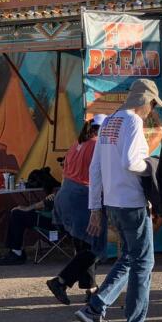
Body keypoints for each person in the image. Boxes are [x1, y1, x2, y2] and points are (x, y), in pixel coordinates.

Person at [75, 79, 162, 322]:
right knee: (143, 263)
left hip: (113, 202)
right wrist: (153, 166)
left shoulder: (110, 121)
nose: (151, 110)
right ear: (146, 101)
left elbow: (95, 169)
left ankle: (96, 308)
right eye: (152, 104)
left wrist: (95, 208)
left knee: (129, 258)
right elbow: (131, 162)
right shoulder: (133, 122)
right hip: (132, 201)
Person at [46, 115, 108, 305]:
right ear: (103, 129)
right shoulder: (98, 145)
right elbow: (103, 175)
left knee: (83, 246)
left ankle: (90, 290)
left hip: (66, 195)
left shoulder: (77, 144)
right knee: (96, 247)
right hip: (83, 196)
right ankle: (61, 281)